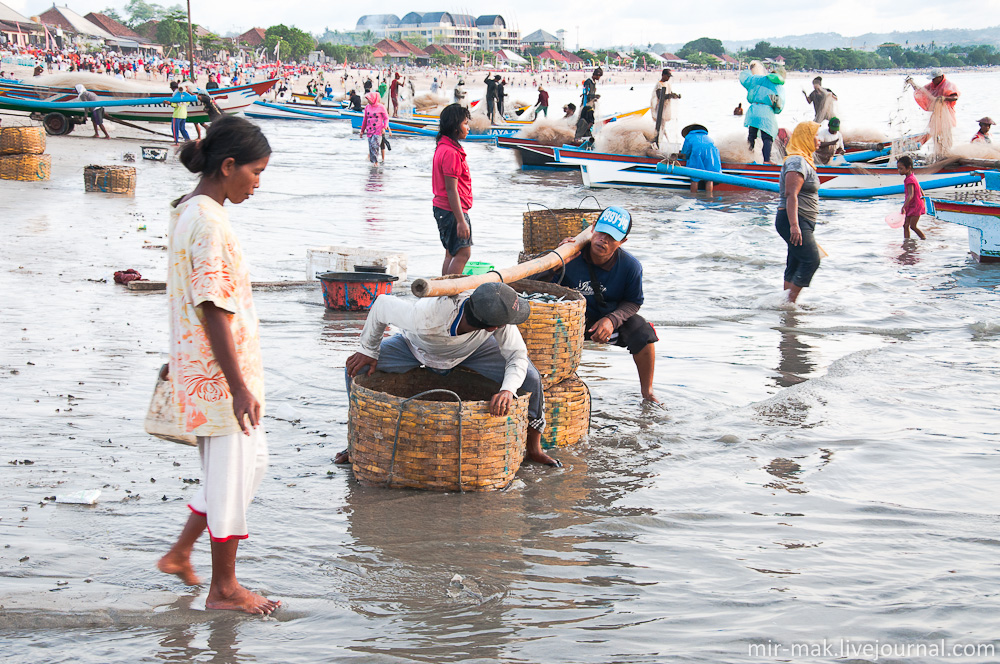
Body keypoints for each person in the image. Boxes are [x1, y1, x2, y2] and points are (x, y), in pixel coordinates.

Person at [157, 115, 280, 616]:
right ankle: (223, 588)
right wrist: (236, 385)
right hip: (220, 377)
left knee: (248, 468)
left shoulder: (191, 209)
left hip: (208, 368)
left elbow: (186, 295)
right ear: (227, 166)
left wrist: (177, 357)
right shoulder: (207, 221)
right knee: (231, 479)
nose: (257, 183)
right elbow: (211, 305)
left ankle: (182, 551)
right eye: (255, 172)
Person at [342, 282, 560, 467]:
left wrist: (507, 389)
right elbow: (382, 304)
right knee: (356, 368)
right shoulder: (424, 319)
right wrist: (367, 350)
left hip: (475, 351)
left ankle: (534, 448)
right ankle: (354, 442)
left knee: (531, 378)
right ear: (493, 327)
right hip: (415, 348)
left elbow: (517, 355)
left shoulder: (494, 315)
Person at [550, 207, 659, 404]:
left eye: (612, 237)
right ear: (593, 229)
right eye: (601, 233)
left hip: (605, 318)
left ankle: (648, 393)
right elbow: (535, 286)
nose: (603, 240)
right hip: (569, 320)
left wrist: (612, 320)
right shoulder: (571, 255)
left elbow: (634, 302)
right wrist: (555, 262)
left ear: (622, 242)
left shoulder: (630, 267)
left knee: (644, 333)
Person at [775, 122, 822, 303]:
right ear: (806, 137)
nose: (819, 139)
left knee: (795, 260)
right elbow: (790, 194)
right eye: (816, 135)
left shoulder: (805, 159)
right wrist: (794, 225)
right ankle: (790, 301)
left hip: (801, 219)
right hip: (794, 219)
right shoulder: (797, 161)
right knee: (811, 260)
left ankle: (786, 304)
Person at [432, 104, 474, 276]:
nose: (468, 127)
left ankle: (444, 292)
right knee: (464, 253)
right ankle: (449, 292)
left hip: (444, 209)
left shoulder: (444, 146)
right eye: (465, 123)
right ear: (455, 127)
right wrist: (460, 221)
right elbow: (451, 190)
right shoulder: (450, 152)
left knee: (451, 252)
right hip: (451, 210)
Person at [906, 69, 960, 156]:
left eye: (934, 79)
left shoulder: (948, 85)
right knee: (935, 135)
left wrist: (944, 98)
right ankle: (938, 154)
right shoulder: (932, 85)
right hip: (936, 114)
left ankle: (947, 153)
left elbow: (955, 97)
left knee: (946, 135)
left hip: (946, 115)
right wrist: (912, 83)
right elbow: (921, 91)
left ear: (940, 77)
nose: (932, 80)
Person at [740, 60, 785, 163]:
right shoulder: (777, 86)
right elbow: (779, 105)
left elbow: (745, 78)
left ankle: (748, 157)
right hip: (766, 112)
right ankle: (766, 160)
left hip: (753, 111)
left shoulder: (757, 79)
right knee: (767, 137)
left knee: (751, 136)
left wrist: (751, 68)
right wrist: (776, 109)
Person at [678, 124, 721, 195]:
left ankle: (693, 196)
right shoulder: (708, 137)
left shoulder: (689, 137)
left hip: (697, 155)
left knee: (695, 178)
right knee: (709, 178)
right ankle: (709, 197)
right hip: (712, 157)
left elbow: (686, 151)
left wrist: (684, 157)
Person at [897, 155, 926, 240]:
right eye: (898, 168)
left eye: (901, 168)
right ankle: (907, 243)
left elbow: (911, 194)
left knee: (913, 226)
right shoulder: (911, 177)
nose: (899, 171)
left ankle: (924, 239)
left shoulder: (910, 179)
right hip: (912, 204)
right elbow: (920, 189)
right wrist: (923, 198)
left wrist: (903, 206)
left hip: (915, 205)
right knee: (905, 225)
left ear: (909, 167)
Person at [650, 68, 680, 146]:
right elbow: (660, 96)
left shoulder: (667, 84)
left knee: (663, 125)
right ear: (663, 75)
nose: (668, 78)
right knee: (659, 125)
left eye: (669, 76)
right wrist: (670, 96)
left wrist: (675, 95)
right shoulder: (659, 84)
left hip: (665, 108)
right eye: (667, 76)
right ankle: (657, 142)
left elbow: (669, 92)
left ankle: (661, 141)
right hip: (659, 108)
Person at [360, 91, 390, 165]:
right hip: (369, 130)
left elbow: (386, 118)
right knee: (370, 147)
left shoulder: (381, 107)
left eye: (369, 99)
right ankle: (373, 163)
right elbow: (365, 119)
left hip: (378, 130)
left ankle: (376, 162)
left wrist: (384, 127)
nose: (368, 101)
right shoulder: (367, 107)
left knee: (374, 145)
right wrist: (362, 130)